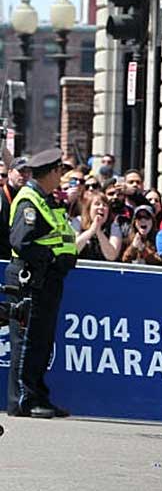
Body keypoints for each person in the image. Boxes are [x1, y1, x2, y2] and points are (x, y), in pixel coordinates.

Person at [6, 149, 78, 419]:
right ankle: (23, 400)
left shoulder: (46, 200)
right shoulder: (30, 200)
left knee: (41, 341)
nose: (61, 176)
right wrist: (50, 259)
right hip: (32, 278)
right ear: (50, 172)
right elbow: (20, 242)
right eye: (59, 171)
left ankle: (37, 395)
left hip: (47, 279)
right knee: (27, 341)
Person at [71, 192, 124, 261]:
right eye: (97, 204)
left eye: (104, 205)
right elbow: (73, 249)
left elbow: (111, 256)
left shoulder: (114, 226)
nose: (101, 207)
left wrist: (99, 232)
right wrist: (91, 231)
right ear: (89, 209)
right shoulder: (78, 221)